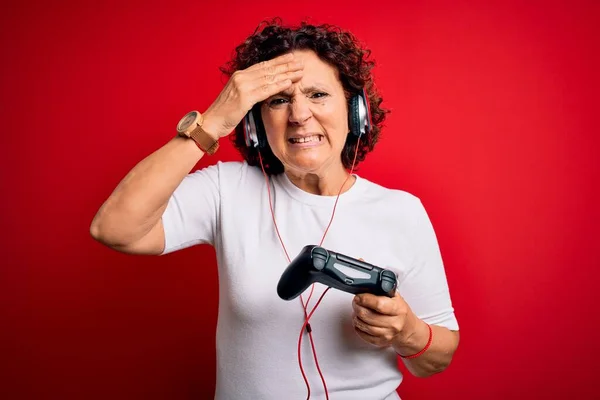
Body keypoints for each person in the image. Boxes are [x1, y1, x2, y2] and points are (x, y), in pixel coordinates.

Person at [90, 18, 460, 400]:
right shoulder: (227, 189)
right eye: (278, 100)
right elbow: (115, 228)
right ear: (254, 122)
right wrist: (212, 123)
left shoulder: (402, 212)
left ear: (356, 114)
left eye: (317, 94)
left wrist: (407, 332)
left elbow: (436, 359)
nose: (299, 115)